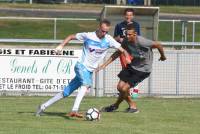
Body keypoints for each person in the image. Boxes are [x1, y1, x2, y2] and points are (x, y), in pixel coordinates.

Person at [35, 19, 131, 117]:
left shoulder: (108, 39)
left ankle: (42, 106)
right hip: (81, 66)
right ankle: (74, 110)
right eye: (103, 31)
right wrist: (61, 45)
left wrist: (127, 56)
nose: (104, 33)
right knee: (86, 85)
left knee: (66, 92)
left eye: (106, 31)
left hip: (89, 71)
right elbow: (71, 36)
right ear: (99, 28)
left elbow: (122, 50)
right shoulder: (88, 35)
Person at [97, 24, 166, 113]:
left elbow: (158, 44)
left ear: (135, 34)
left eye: (130, 34)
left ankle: (132, 106)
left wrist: (163, 56)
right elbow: (117, 53)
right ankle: (115, 106)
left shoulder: (141, 41)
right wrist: (104, 65)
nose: (127, 36)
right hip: (132, 66)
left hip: (143, 70)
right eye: (126, 34)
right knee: (119, 87)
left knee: (124, 89)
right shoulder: (126, 41)